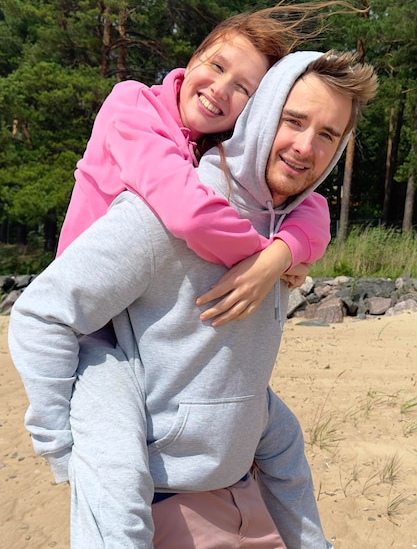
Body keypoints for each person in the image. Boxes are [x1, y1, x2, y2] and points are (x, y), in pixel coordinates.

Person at [9, 50, 378, 549]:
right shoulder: (163, 215)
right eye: (294, 121)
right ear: (264, 114)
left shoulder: (287, 231)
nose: (305, 146)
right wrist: (65, 451)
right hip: (165, 508)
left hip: (251, 495)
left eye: (328, 135)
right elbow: (41, 314)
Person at [55, 1, 343, 325]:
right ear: (194, 58)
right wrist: (265, 261)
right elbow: (189, 213)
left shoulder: (218, 147)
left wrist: (285, 252)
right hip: (81, 316)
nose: (220, 90)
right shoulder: (132, 108)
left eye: (243, 89)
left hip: (139, 323)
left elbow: (312, 206)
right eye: (218, 67)